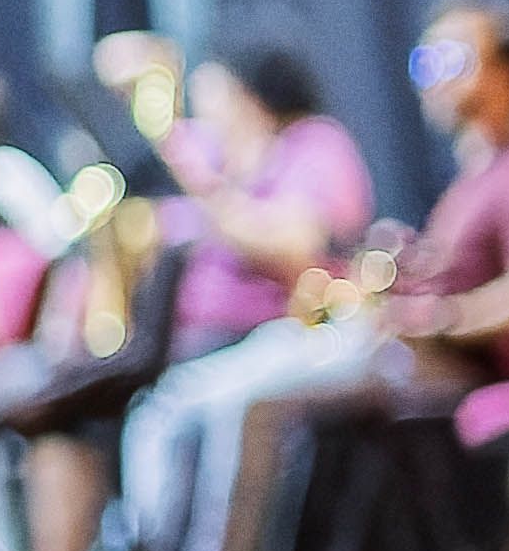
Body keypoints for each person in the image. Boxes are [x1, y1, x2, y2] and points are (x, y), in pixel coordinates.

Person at [118, 0, 509, 551]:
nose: (431, 76)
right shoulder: (477, 172)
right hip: (408, 346)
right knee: (190, 396)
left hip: (446, 363)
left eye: (451, 58)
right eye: (425, 61)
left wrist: (439, 319)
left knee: (248, 400)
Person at [149, 34, 376, 359]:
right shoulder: (218, 157)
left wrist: (201, 185)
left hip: (279, 337)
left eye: (210, 88)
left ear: (248, 95)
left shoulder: (315, 145)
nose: (197, 104)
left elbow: (297, 252)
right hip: (191, 339)